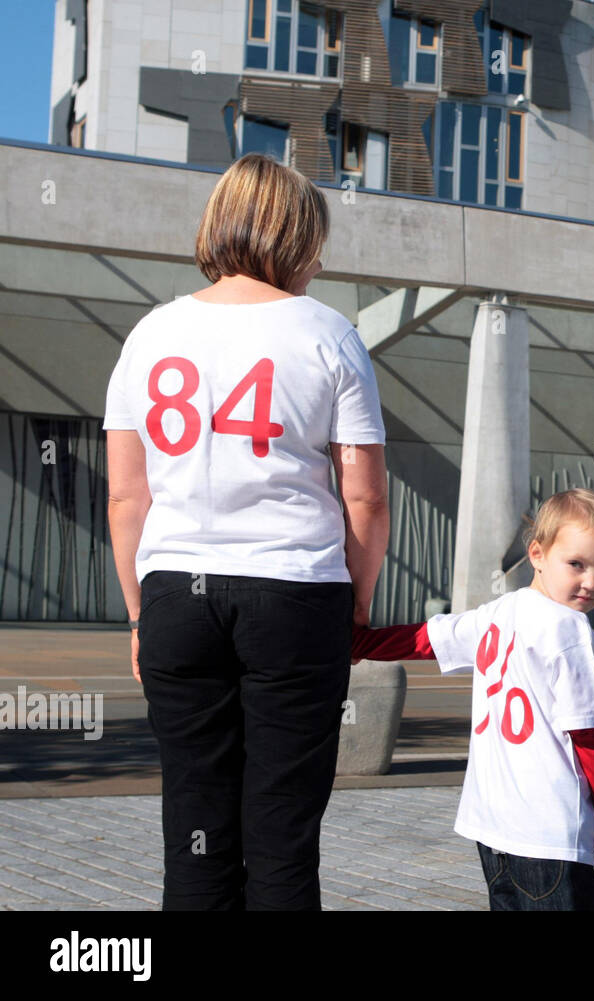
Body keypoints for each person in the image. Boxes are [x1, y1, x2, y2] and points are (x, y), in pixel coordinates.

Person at [103, 153, 390, 910]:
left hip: (174, 598)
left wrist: (139, 613)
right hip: (295, 595)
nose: (321, 261)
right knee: (281, 837)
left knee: (194, 829)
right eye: (316, 243)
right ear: (294, 239)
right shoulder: (331, 335)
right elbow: (365, 498)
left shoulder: (149, 334)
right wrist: (354, 603)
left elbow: (126, 498)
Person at [351, 488, 594, 910]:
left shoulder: (498, 612)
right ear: (537, 554)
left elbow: (424, 639)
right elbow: (588, 732)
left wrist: (358, 643)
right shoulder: (569, 630)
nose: (591, 582)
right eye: (577, 564)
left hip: (491, 827)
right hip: (549, 828)